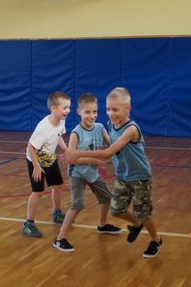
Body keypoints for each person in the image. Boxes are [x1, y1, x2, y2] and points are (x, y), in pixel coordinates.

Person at [65, 87, 162, 258]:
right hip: (123, 176)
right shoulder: (111, 124)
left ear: (127, 108)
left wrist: (78, 153)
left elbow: (109, 152)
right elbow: (112, 147)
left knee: (144, 214)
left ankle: (156, 240)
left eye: (115, 109)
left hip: (139, 177)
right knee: (115, 210)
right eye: (108, 109)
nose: (110, 113)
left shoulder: (131, 129)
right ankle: (136, 224)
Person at [53, 93, 122, 252]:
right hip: (77, 173)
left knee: (106, 198)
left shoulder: (100, 128)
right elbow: (71, 159)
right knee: (77, 205)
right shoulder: (76, 134)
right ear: (79, 112)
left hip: (92, 173)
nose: (92, 116)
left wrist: (126, 147)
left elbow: (113, 145)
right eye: (88, 112)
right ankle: (60, 238)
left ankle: (102, 225)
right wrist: (94, 160)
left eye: (95, 112)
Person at [22, 91, 70, 238]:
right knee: (37, 192)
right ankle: (28, 224)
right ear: (53, 108)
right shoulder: (43, 127)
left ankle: (57, 213)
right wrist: (36, 166)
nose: (67, 111)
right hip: (35, 160)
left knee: (57, 185)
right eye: (64, 108)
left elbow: (59, 136)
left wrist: (67, 150)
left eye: (68, 107)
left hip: (50, 158)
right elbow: (31, 147)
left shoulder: (61, 120)